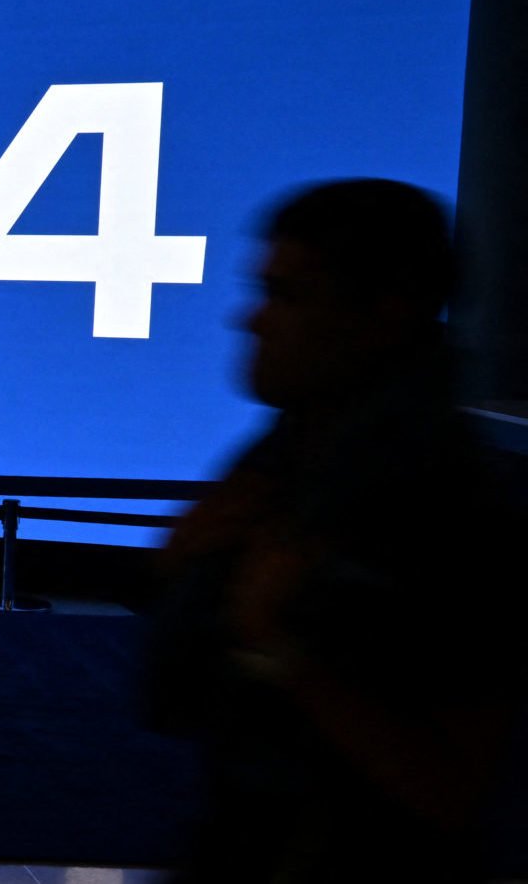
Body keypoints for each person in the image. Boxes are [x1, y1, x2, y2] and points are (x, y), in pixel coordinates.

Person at [147, 179, 525, 884]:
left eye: (288, 296)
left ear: (385, 313)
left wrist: (278, 645)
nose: (251, 320)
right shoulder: (296, 451)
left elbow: (452, 796)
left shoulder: (449, 506)